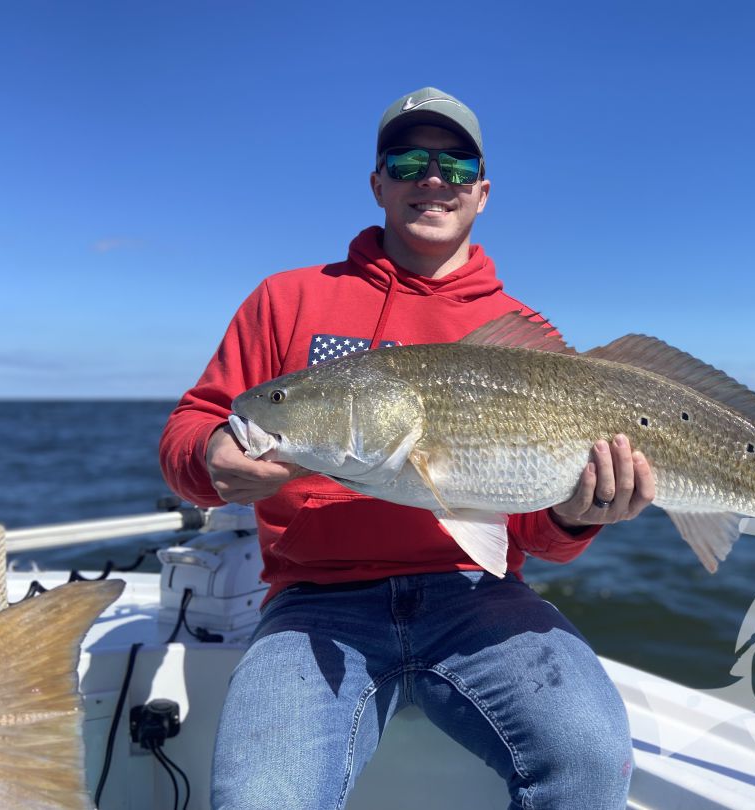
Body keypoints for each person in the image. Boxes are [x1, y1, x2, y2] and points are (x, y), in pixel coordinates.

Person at [159, 87, 655, 810]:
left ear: (481, 193)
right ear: (379, 183)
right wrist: (210, 458)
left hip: (478, 596)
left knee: (590, 758)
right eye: (410, 159)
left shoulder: (520, 330)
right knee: (259, 797)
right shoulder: (287, 298)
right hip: (316, 603)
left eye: (455, 166)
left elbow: (531, 532)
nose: (433, 178)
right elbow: (194, 426)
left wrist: (581, 517)